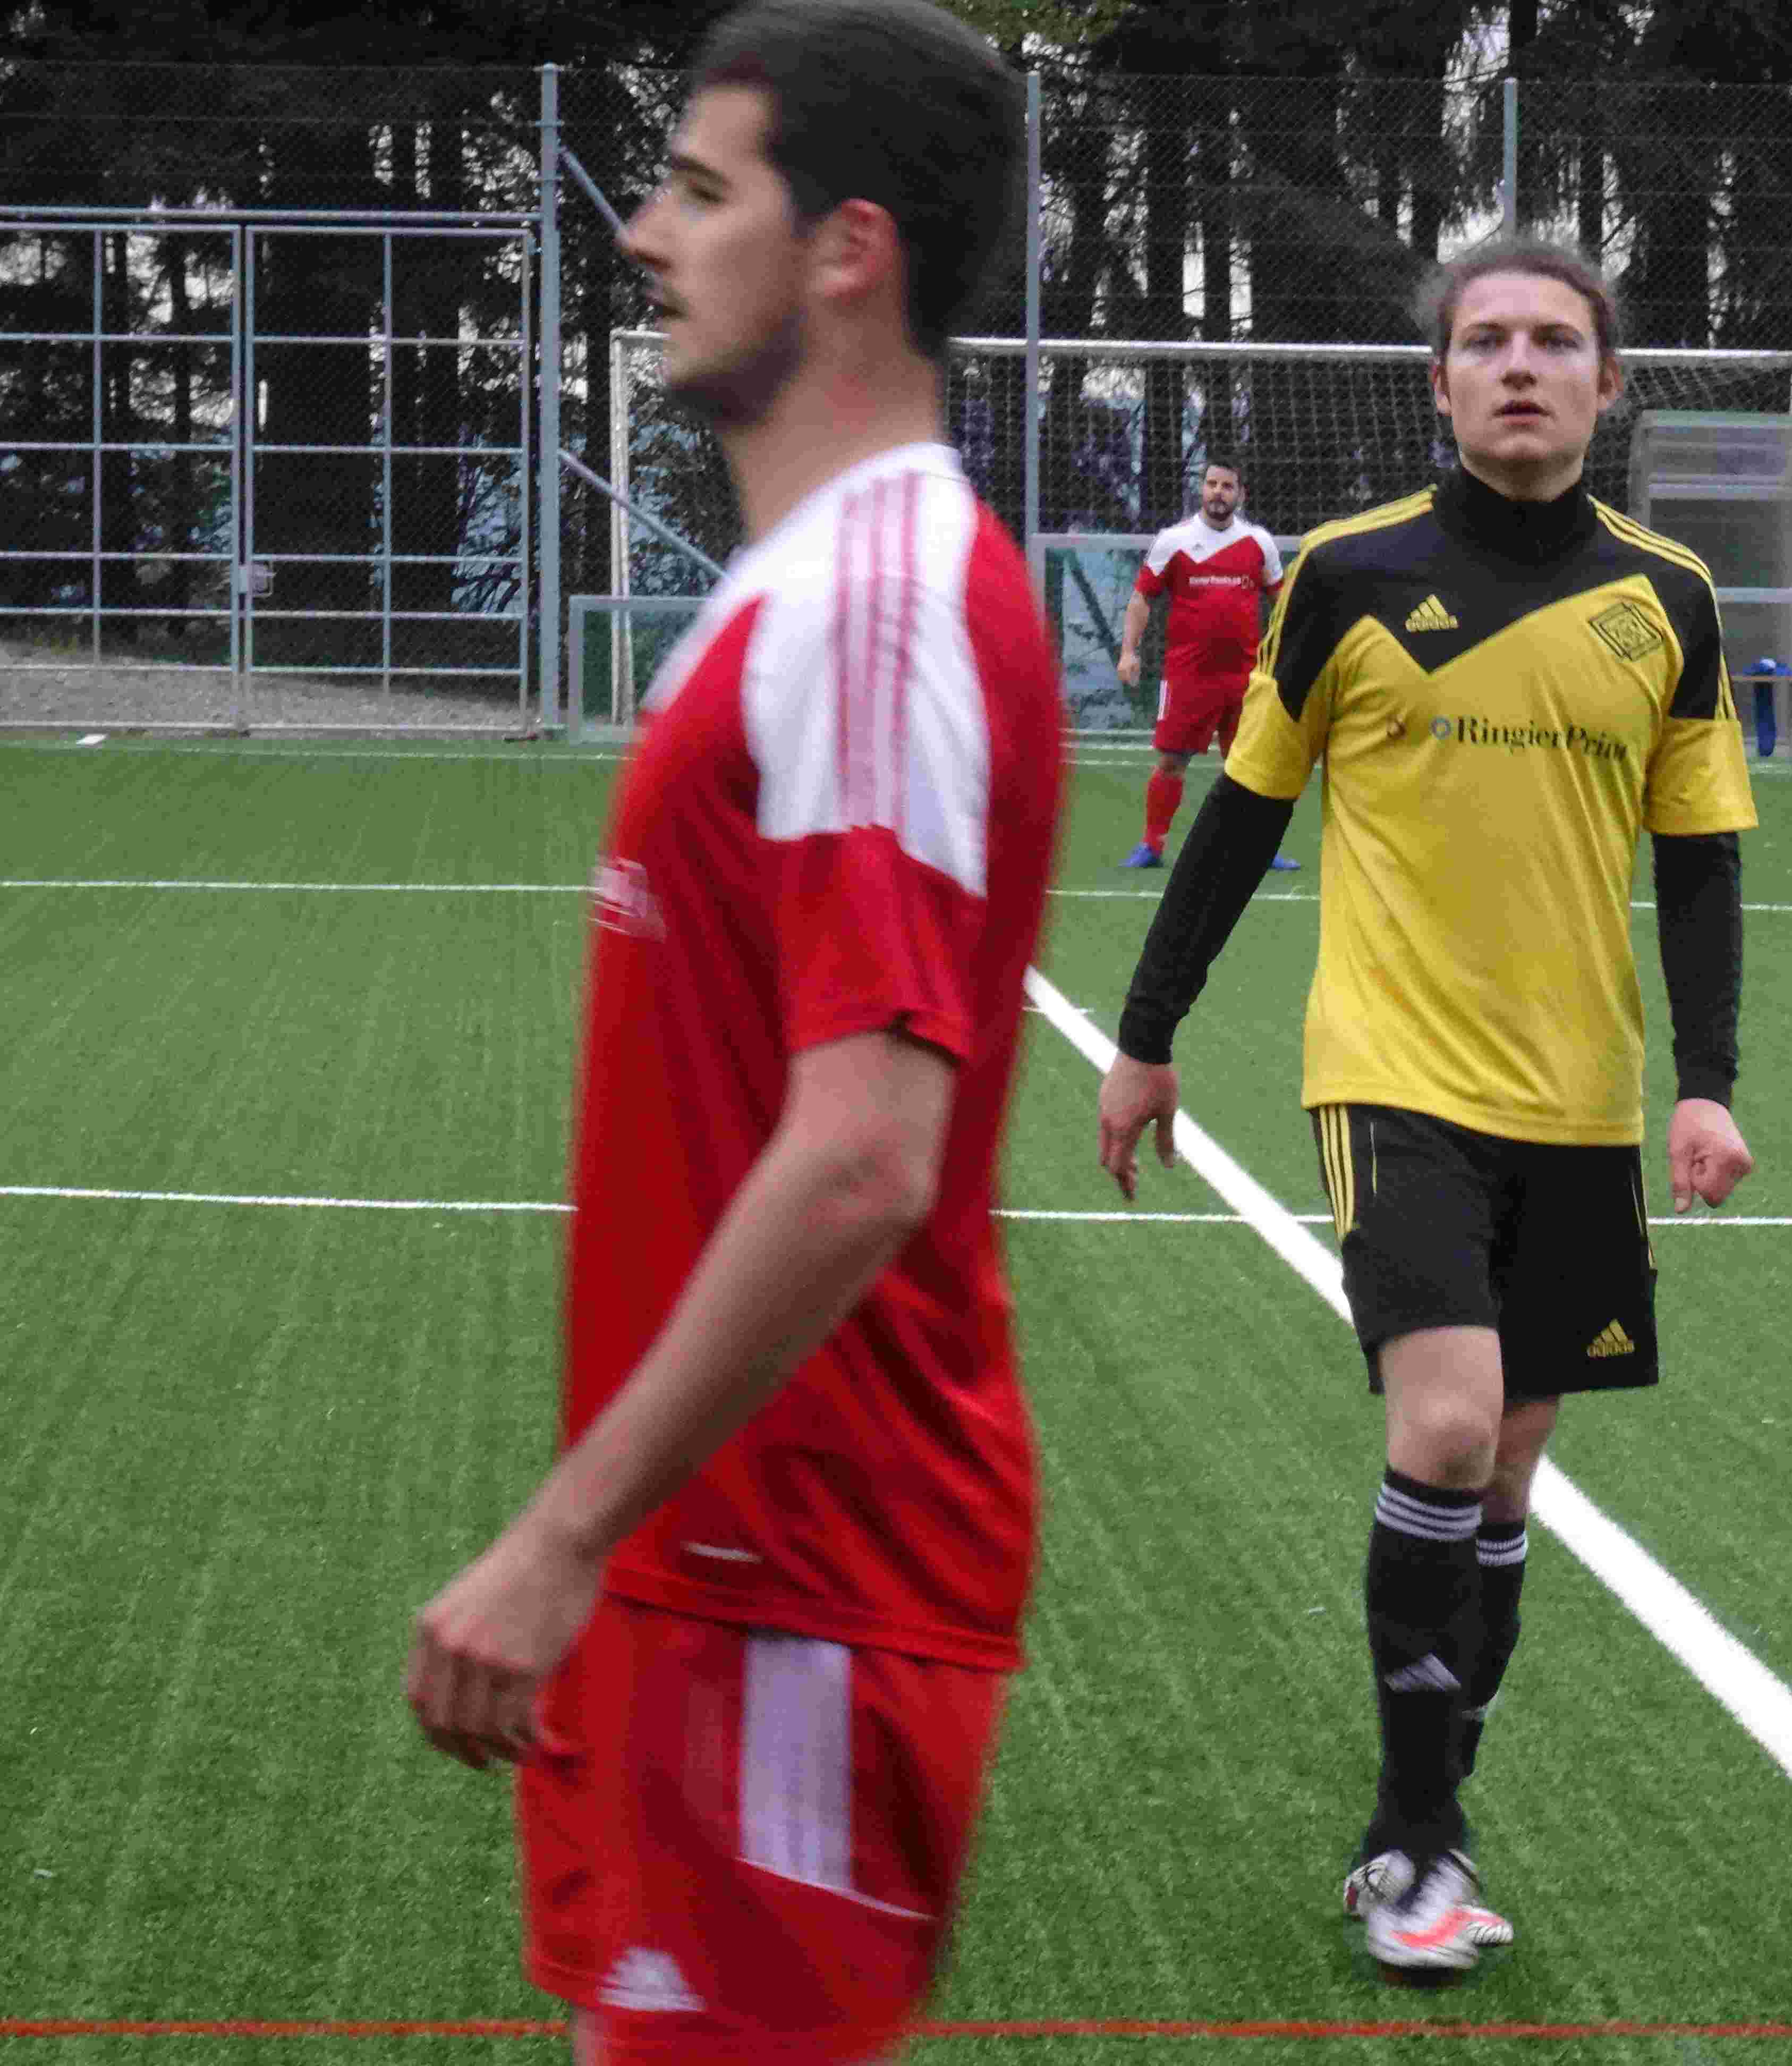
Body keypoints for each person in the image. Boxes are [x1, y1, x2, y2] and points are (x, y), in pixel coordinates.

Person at [402, 6, 1062, 2061]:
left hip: (799, 1580)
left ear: (845, 249)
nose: (644, 235)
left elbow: (865, 1149)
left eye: (700, 190)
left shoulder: (876, 605)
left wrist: (560, 1532)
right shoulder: (812, 586)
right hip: (728, 1562)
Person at [1094, 236, 1757, 1980]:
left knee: (1508, 1477)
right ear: (1439, 384)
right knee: (1449, 1427)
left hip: (1579, 1099)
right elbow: (1243, 814)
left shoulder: (1671, 599)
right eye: (1488, 341)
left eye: (1556, 341)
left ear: (1608, 385)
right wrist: (1147, 1033)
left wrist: (1706, 1084)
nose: (1521, 365)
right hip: (1390, 1074)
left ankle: (1415, 1814)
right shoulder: (1345, 574)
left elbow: (1700, 859)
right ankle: (1418, 1847)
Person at [1117, 459, 1297, 872]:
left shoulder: (1259, 542)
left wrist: (1291, 653)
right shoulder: (1174, 540)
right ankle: (1152, 845)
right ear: (1202, 489)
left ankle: (1261, 847)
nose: (1218, 492)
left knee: (1254, 766)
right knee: (1171, 762)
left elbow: (1284, 602)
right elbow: (1142, 598)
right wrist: (1129, 651)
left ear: (1240, 494)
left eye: (1227, 486)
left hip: (1246, 679)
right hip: (1187, 678)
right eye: (1212, 484)